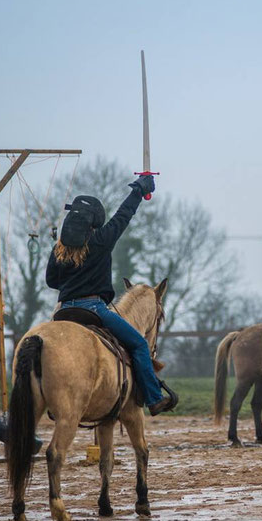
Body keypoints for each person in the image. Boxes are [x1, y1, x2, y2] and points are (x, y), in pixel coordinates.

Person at [46, 174, 177, 416]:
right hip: (94, 309)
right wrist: (138, 190)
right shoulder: (101, 241)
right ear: (93, 223)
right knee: (138, 344)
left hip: (62, 312)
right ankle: (153, 398)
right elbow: (123, 216)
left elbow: (51, 281)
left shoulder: (58, 250)